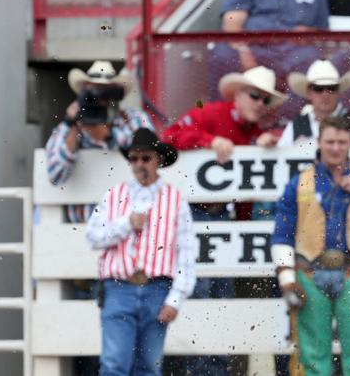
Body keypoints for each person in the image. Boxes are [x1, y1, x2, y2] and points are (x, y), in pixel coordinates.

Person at [271, 116, 350, 376]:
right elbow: (282, 233)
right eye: (330, 141)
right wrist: (286, 277)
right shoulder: (298, 183)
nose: (335, 147)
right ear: (319, 142)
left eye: (341, 142)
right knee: (312, 348)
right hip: (308, 270)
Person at [85, 129, 196, 376]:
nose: (138, 164)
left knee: (148, 367)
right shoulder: (114, 195)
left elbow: (186, 254)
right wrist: (125, 224)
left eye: (145, 158)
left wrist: (175, 298)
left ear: (158, 160)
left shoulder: (176, 200)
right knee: (114, 364)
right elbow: (92, 237)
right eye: (134, 158)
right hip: (118, 287)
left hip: (157, 288)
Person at [45, 61, 155, 223]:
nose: (101, 100)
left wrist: (108, 137)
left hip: (128, 226)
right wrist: (76, 127)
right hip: (81, 229)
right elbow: (55, 174)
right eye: (94, 93)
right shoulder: (69, 127)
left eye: (107, 93)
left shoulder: (135, 119)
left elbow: (151, 154)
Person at [163, 66, 284, 161]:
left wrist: (269, 146)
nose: (260, 104)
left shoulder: (256, 131)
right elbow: (170, 137)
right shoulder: (209, 112)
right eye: (255, 96)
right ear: (237, 95)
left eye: (266, 100)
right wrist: (212, 141)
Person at [280, 61, 350, 148]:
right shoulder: (294, 126)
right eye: (318, 89)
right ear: (308, 93)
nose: (325, 94)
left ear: (339, 92)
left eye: (331, 88)